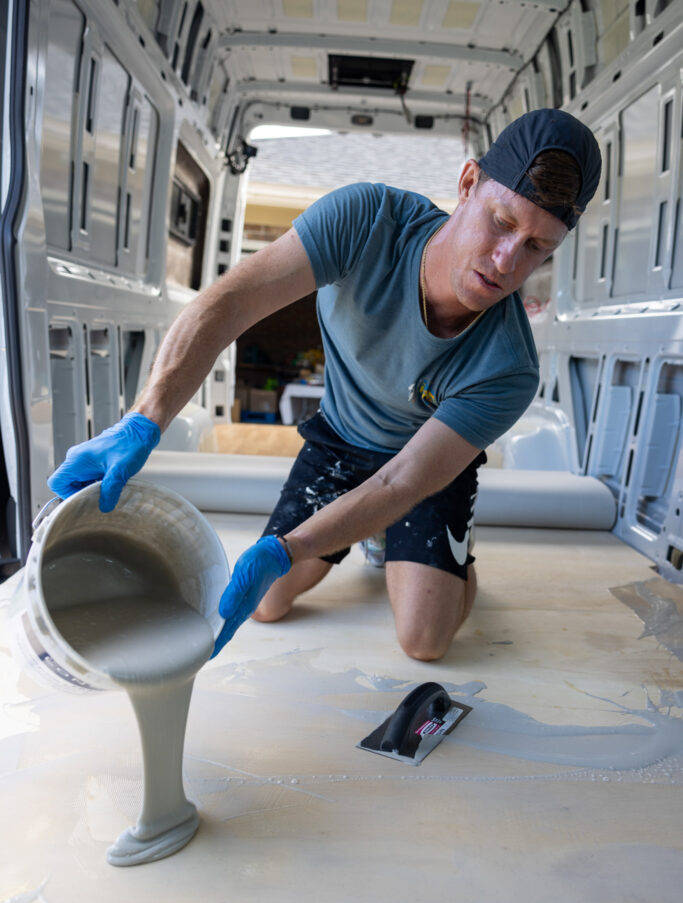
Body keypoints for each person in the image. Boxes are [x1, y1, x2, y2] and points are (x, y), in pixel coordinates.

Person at [48, 109, 601, 662]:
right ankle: (373, 542)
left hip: (423, 465)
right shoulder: (366, 221)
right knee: (267, 606)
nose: (507, 262)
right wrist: (145, 418)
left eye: (537, 248)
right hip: (340, 439)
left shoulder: (510, 367)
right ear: (467, 184)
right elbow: (230, 302)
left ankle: (454, 566)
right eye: (502, 222)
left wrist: (293, 546)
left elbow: (402, 483)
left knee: (425, 641)